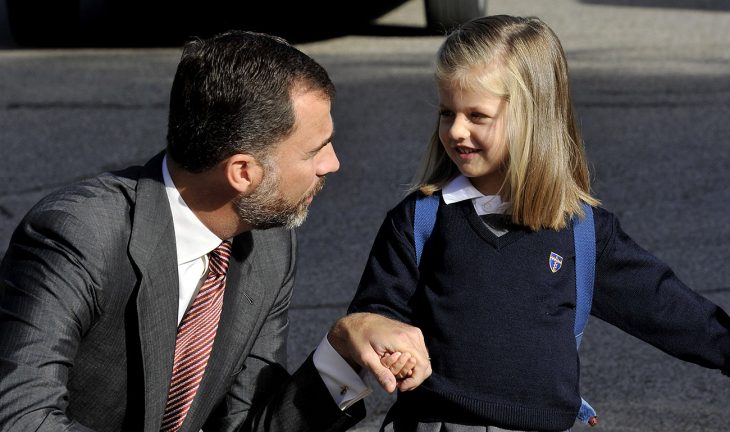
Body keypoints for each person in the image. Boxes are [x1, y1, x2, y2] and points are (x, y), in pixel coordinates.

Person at [0, 30, 431, 432]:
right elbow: (22, 417)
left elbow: (247, 423)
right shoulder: (79, 235)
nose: (332, 164)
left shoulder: (268, 242)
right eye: (316, 150)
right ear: (243, 172)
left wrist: (340, 354)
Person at [347, 15, 730, 432]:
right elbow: (374, 313)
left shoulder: (581, 232)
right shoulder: (420, 220)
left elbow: (665, 307)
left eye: (477, 115)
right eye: (446, 112)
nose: (456, 130)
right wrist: (388, 341)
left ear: (534, 118)